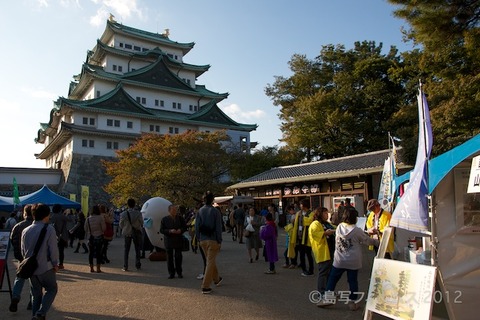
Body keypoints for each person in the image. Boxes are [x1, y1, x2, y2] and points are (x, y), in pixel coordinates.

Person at [317, 206, 379, 310]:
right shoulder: (356, 230)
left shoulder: (339, 227)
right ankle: (352, 302)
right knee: (352, 281)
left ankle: (327, 298)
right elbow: (367, 240)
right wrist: (378, 241)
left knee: (332, 279)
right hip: (353, 261)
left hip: (339, 260)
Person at [21, 203, 59, 320]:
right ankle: (40, 313)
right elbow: (53, 249)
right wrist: (55, 263)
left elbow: (23, 251)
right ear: (46, 215)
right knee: (52, 289)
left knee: (35, 295)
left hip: (31, 268)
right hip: (45, 267)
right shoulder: (49, 229)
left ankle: (35, 315)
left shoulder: (25, 230)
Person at [195, 191, 223, 294]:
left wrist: (198, 238)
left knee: (210, 260)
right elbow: (218, 227)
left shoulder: (200, 211)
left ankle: (217, 279)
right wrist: (219, 240)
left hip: (203, 239)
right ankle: (205, 286)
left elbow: (196, 226)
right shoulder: (215, 212)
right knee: (210, 262)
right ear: (212, 200)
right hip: (213, 239)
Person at [9, 204, 34, 312]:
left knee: (19, 277)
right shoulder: (36, 226)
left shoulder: (18, 226)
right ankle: (32, 302)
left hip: (21, 257)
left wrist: (18, 254)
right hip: (33, 257)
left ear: (24, 213)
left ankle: (15, 297)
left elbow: (12, 239)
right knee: (33, 280)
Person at [309, 207, 336, 305]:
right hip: (322, 252)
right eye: (325, 213)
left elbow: (335, 228)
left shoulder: (327, 223)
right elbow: (315, 234)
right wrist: (325, 233)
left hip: (330, 251)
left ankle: (328, 292)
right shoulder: (315, 223)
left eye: (327, 213)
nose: (327, 214)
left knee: (329, 273)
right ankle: (321, 293)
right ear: (320, 213)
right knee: (323, 273)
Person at [160, 204, 187, 278]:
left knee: (178, 257)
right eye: (173, 210)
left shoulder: (180, 218)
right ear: (169, 211)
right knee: (169, 257)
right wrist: (169, 231)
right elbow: (161, 230)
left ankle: (179, 272)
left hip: (178, 239)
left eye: (176, 210)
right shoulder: (164, 219)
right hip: (169, 240)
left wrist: (180, 230)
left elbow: (184, 227)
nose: (175, 211)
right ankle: (171, 273)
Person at [288, 198, 314, 276]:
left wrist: (301, 217)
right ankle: (304, 269)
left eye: (301, 204)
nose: (300, 206)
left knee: (309, 254)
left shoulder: (311, 213)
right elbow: (295, 224)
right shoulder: (298, 213)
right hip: (299, 237)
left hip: (307, 238)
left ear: (304, 205)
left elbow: (309, 222)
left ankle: (311, 270)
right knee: (301, 254)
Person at [119, 198, 143, 271]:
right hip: (136, 232)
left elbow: (121, 224)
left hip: (127, 232)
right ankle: (138, 264)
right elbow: (142, 222)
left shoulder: (123, 214)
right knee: (137, 249)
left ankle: (125, 266)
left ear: (128, 204)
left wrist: (125, 228)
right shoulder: (138, 213)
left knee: (126, 250)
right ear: (134, 204)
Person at [85, 205, 106, 273]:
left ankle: (91, 267)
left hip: (91, 237)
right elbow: (104, 228)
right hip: (99, 236)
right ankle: (98, 268)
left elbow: (85, 228)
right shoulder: (100, 218)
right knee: (98, 253)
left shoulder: (88, 219)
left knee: (90, 253)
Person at [49, 204, 68, 269]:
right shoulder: (63, 216)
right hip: (62, 236)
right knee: (61, 251)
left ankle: (52, 263)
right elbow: (69, 221)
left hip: (53, 235)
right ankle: (61, 264)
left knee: (52, 250)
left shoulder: (52, 217)